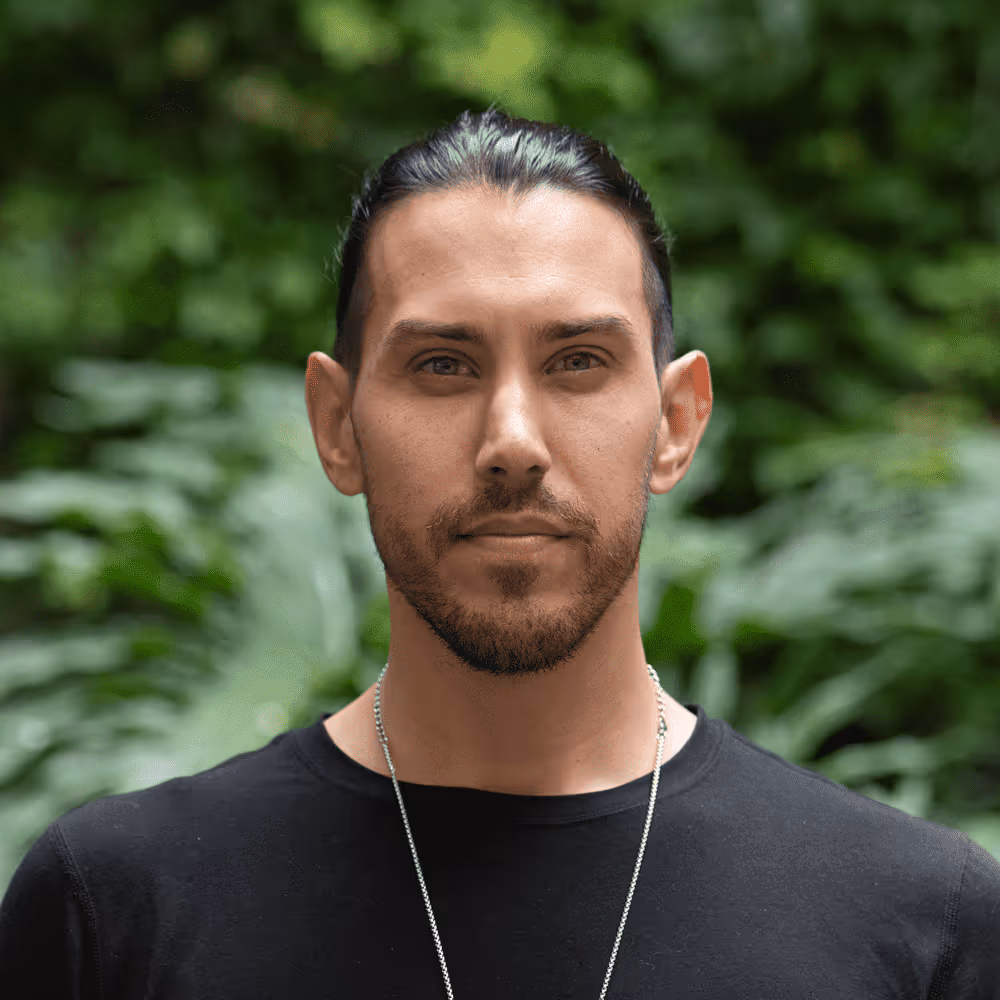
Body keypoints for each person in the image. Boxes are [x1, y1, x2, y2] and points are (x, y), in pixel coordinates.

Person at [1, 106, 997, 999]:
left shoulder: (919, 927)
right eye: (442, 364)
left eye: (577, 362)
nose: (512, 440)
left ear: (675, 422)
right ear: (339, 424)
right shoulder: (118, 909)